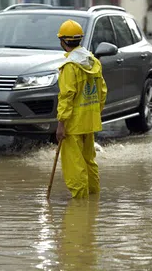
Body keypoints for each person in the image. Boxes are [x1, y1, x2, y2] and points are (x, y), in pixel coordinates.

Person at [56, 19, 108, 199]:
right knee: (89, 161)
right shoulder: (93, 62)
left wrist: (61, 124)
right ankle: (93, 199)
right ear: (79, 39)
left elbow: (66, 97)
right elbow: (102, 91)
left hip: (73, 124)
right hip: (90, 121)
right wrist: (95, 113)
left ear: (63, 41)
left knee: (74, 165)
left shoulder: (70, 66)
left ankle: (80, 204)